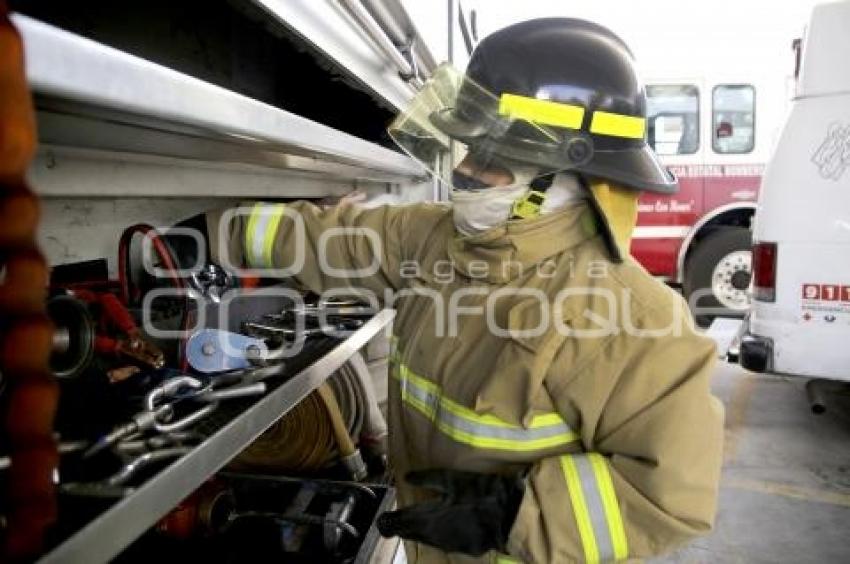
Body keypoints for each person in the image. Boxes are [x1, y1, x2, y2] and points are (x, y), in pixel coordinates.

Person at [197, 18, 723, 563]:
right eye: (470, 150)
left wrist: (509, 515)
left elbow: (669, 499)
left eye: (492, 160)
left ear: (559, 177)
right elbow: (335, 242)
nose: (466, 173)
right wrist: (214, 233)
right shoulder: (438, 237)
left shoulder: (635, 319)